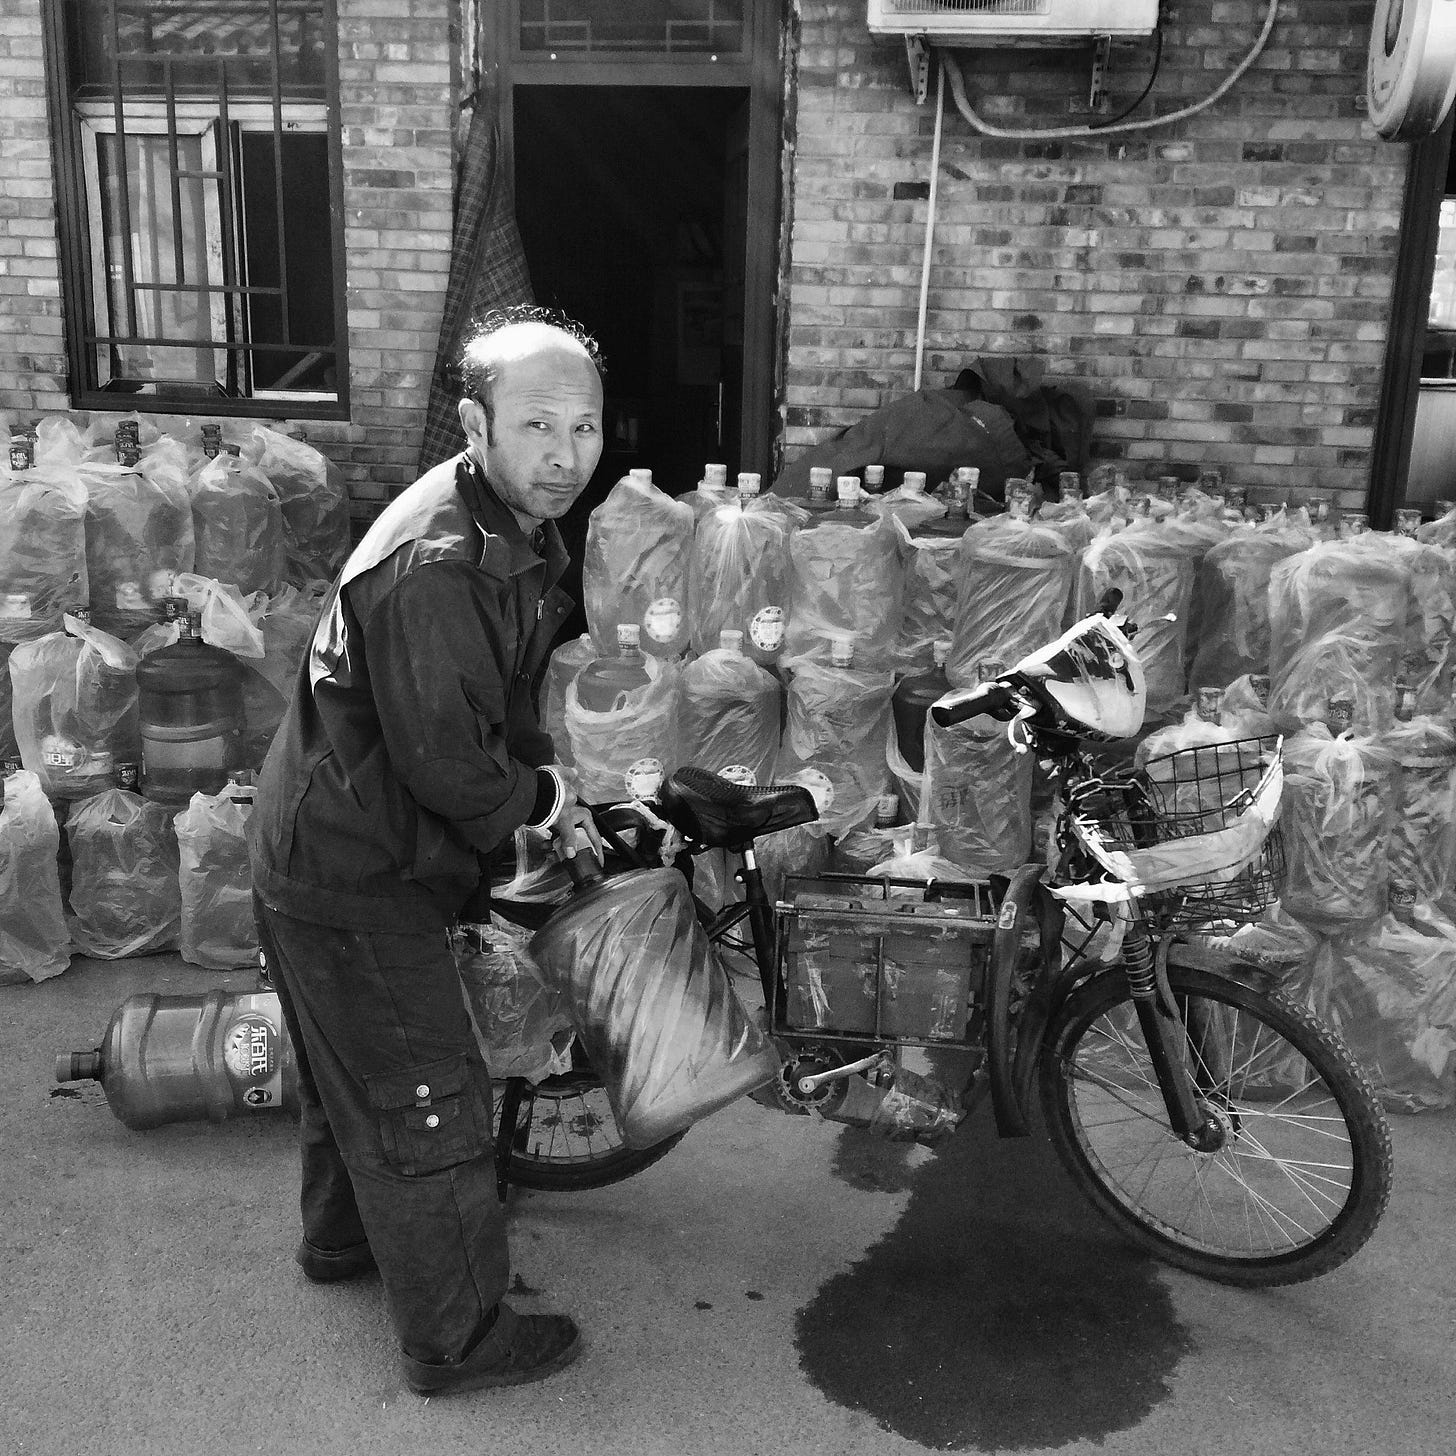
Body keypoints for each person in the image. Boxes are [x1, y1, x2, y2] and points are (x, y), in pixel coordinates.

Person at [248, 306, 606, 1396]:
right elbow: (452, 767)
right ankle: (456, 1339)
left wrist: (535, 784)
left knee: (349, 1067)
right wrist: (542, 802)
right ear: (474, 421)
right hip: (353, 859)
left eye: (585, 428)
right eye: (537, 424)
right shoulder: (444, 557)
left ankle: (343, 1241)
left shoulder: (508, 523)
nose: (564, 455)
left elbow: (504, 697)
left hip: (327, 834)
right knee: (424, 1087)